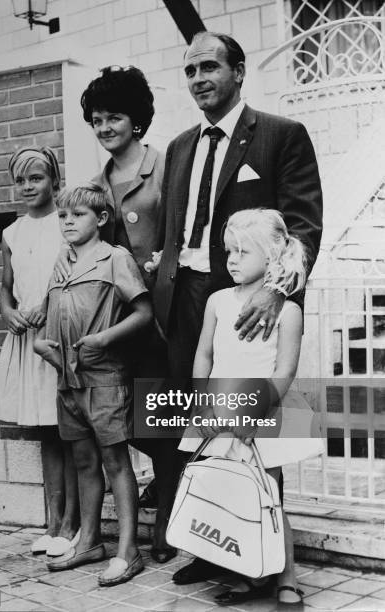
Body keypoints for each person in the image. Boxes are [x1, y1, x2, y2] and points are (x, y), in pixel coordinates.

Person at [152, 31, 323, 584]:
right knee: (202, 432)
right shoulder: (179, 146)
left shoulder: (280, 135)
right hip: (192, 309)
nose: (199, 78)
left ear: (239, 72)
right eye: (190, 70)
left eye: (209, 67)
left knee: (256, 433)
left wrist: (278, 291)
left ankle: (267, 555)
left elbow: (302, 225)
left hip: (254, 305)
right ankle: (210, 546)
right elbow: (173, 231)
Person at [56, 65, 182, 563]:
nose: (105, 127)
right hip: (120, 323)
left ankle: (168, 518)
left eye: (115, 117)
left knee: (164, 419)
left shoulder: (168, 165)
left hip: (168, 318)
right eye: (97, 119)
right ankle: (153, 509)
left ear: (137, 119)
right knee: (128, 422)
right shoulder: (95, 185)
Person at [179, 209, 324, 606]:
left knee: (269, 496)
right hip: (221, 409)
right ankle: (245, 572)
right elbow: (204, 355)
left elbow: (284, 371)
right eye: (229, 251)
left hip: (264, 414)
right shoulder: (217, 302)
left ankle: (286, 578)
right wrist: (204, 405)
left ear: (273, 256)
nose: (232, 260)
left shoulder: (287, 311)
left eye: (243, 251)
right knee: (231, 494)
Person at [34, 184, 152, 586]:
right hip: (67, 382)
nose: (67, 221)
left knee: (115, 462)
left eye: (77, 215)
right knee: (84, 463)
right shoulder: (61, 261)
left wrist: (104, 338)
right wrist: (43, 347)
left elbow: (143, 313)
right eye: (63, 215)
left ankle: (128, 550)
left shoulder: (114, 258)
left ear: (101, 219)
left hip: (104, 379)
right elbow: (51, 318)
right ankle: (89, 541)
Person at [0, 147, 80, 557]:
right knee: (47, 432)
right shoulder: (12, 232)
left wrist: (51, 304)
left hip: (58, 336)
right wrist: (8, 312)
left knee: (70, 429)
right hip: (27, 339)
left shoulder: (65, 224)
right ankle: (53, 520)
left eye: (37, 178)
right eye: (21, 180)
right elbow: (6, 289)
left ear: (53, 180)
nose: (28, 187)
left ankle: (73, 523)